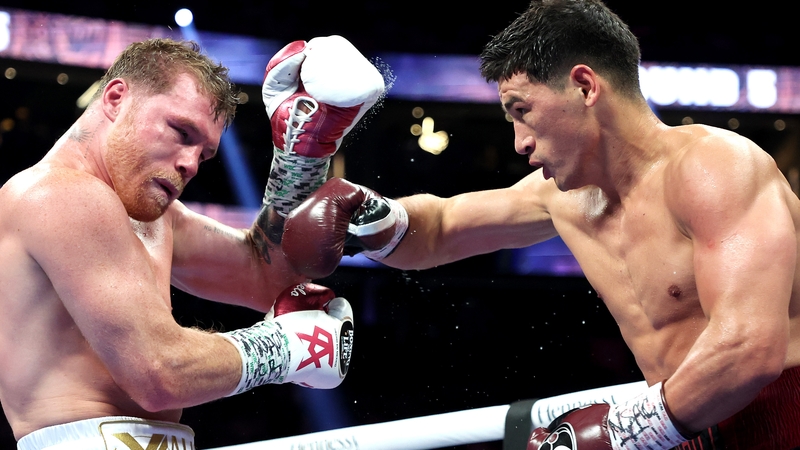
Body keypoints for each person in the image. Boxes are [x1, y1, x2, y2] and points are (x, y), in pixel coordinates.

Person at [280, 1, 800, 448]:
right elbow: (441, 227)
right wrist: (374, 216)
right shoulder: (563, 198)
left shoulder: (714, 169)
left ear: (584, 86)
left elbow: (749, 349)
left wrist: (625, 433)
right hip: (681, 426)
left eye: (522, 110)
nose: (519, 143)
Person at [0, 35, 383, 450]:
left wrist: (301, 155)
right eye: (182, 132)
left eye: (204, 155)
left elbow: (271, 278)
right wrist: (284, 348)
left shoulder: (150, 215)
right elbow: (158, 373)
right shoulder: (59, 194)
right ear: (115, 98)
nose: (189, 164)